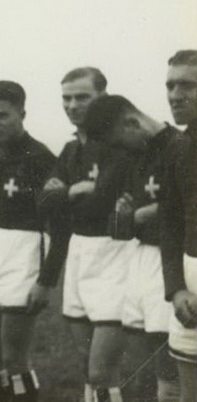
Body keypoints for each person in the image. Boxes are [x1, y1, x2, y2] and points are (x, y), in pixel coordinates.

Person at [0, 81, 63, 402]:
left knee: (14, 361)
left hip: (25, 251)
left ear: (22, 112)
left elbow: (59, 226)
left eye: (2, 116)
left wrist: (45, 281)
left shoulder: (42, 158)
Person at [40, 67, 134, 402]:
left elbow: (101, 202)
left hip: (114, 252)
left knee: (101, 371)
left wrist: (65, 193)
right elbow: (44, 201)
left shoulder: (119, 145)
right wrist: (74, 191)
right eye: (67, 98)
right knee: (87, 368)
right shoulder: (69, 150)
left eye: (83, 97)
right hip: (79, 252)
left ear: (103, 98)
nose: (73, 104)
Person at [82, 94, 182, 402]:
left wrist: (138, 214)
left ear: (131, 122)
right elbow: (118, 227)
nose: (119, 151)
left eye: (119, 142)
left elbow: (184, 206)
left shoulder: (181, 147)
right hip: (140, 262)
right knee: (148, 375)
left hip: (172, 263)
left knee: (172, 376)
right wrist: (130, 217)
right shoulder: (136, 157)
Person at [160, 50, 197, 401]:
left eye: (186, 85)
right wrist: (176, 289)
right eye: (170, 85)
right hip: (191, 282)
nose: (175, 95)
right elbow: (169, 224)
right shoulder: (178, 147)